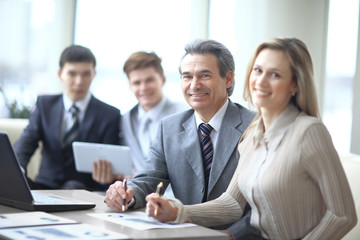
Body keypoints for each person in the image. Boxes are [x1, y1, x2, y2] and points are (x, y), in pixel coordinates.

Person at [145, 37, 358, 240]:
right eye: (258, 70)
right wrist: (176, 211)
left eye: (275, 74)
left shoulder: (309, 131)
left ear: (295, 84)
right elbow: (232, 204)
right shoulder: (253, 132)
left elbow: (343, 216)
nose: (261, 81)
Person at [105, 39, 260, 239]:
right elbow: (149, 178)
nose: (194, 85)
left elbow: (264, 203)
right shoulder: (168, 127)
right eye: (187, 76)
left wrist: (230, 234)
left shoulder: (256, 126)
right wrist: (127, 194)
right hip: (182, 232)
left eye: (205, 75)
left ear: (228, 79)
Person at [14, 45, 121, 191]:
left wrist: (108, 177)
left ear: (94, 74)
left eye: (86, 74)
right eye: (72, 74)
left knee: (73, 187)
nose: (79, 81)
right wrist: (17, 170)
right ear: (60, 74)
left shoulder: (110, 115)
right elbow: (26, 142)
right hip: (44, 187)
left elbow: (110, 164)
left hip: (83, 191)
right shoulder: (45, 105)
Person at [92, 51, 187, 185]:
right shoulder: (125, 120)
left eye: (149, 80)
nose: (143, 88)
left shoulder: (184, 113)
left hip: (176, 197)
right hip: (139, 196)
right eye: (137, 83)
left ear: (163, 79)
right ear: (130, 86)